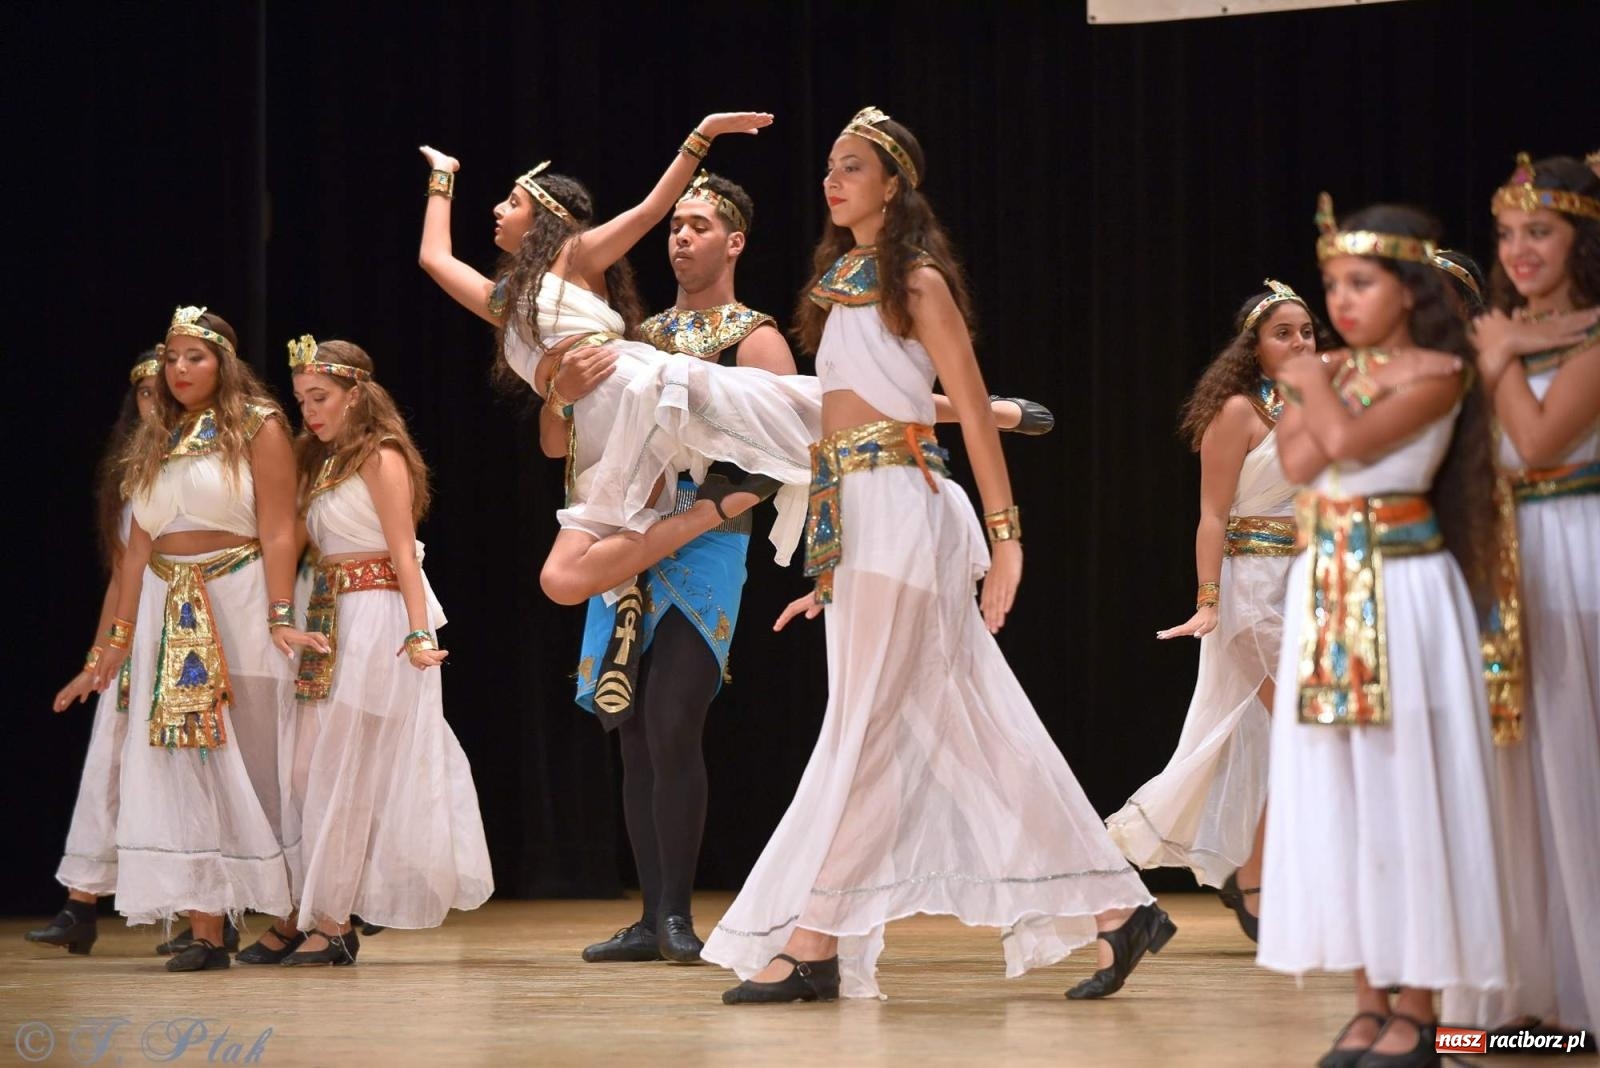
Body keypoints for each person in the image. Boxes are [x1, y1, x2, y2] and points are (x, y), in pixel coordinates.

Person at [701, 107, 1168, 1005]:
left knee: (871, 729)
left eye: (852, 166)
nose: (833, 180)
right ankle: (1119, 909)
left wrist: (1008, 536)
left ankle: (813, 942)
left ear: (894, 185)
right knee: (959, 730)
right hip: (859, 515)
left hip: (905, 508)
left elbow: (974, 409)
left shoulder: (917, 282)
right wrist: (827, 571)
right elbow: (839, 423)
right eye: (830, 166)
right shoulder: (840, 284)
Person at [1259, 197, 1511, 1068]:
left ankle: (1422, 1005)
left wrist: (1311, 386)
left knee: (1409, 791)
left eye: (1361, 283)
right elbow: (1300, 461)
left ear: (1408, 287)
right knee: (1345, 795)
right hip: (1327, 586)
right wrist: (1317, 388)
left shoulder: (1439, 371)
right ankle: (1368, 1001)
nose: (1342, 301)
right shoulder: (1336, 372)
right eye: (1332, 284)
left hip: (1402, 587)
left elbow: (1349, 445)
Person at [89, 306, 326, 972]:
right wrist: (115, 642)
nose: (180, 369)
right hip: (166, 604)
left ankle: (298, 913)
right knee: (180, 761)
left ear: (223, 361)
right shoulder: (156, 436)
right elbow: (137, 552)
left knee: (255, 753)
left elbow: (279, 527)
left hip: (238, 595)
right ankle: (204, 924)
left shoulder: (257, 423)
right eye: (171, 358)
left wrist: (280, 613)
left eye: (194, 356)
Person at [268, 335, 492, 966]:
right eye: (302, 400)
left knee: (348, 773)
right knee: (306, 772)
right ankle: (325, 908)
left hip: (376, 618)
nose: (310, 411)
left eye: (320, 397)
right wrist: (282, 616)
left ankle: (333, 922)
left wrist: (419, 634)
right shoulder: (321, 461)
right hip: (328, 616)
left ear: (354, 394)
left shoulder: (380, 455)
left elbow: (402, 552)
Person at [1105, 281, 1319, 942]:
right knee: (1307, 731)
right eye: (1284, 333)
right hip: (1250, 592)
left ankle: (1257, 872)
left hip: (1304, 584)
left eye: (1307, 331)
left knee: (1270, 739)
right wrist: (1208, 601)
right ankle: (1252, 876)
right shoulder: (1237, 411)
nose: (1300, 342)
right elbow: (1211, 516)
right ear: (1253, 347)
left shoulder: (1319, 406)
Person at [1443, 153, 1600, 1042]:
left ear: (1582, 237)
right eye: (1508, 233)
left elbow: (1540, 443)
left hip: (1575, 552)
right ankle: (1528, 994)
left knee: (1574, 765)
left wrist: (1496, 356)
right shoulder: (1501, 332)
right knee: (1513, 779)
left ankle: (1584, 989)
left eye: (1541, 230)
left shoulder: (1589, 337)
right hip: (1500, 561)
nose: (1520, 249)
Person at [25, 352, 177, 956]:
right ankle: (80, 903)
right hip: (132, 635)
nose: (153, 403)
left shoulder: (206, 460)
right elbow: (121, 575)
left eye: (161, 391)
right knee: (109, 762)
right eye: (143, 394)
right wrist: (97, 657)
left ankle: (199, 912)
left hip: (186, 624)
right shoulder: (129, 473)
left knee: (180, 770)